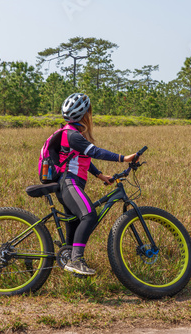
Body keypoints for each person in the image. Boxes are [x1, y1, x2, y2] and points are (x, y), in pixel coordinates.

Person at [56, 93, 137, 276]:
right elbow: (95, 152)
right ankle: (77, 261)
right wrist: (123, 158)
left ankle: (71, 263)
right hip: (69, 183)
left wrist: (100, 175)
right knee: (89, 215)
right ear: (84, 115)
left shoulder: (71, 134)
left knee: (74, 224)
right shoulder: (72, 135)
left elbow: (82, 158)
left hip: (70, 183)